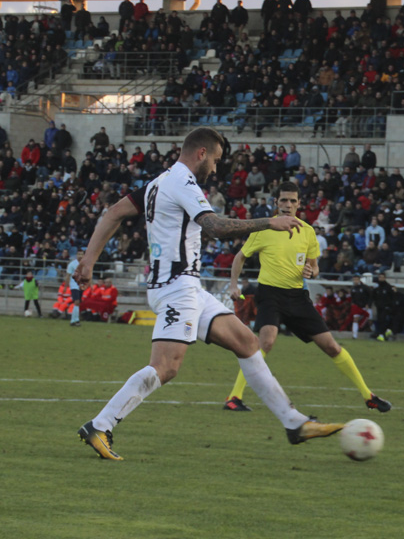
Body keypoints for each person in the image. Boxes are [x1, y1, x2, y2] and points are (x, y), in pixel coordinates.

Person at [72, 128, 342, 460]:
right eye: (215, 160)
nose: (215, 168)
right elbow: (215, 227)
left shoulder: (158, 183)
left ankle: (294, 423)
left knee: (247, 343)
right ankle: (101, 425)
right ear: (201, 153)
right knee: (166, 366)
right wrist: (267, 222)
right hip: (176, 288)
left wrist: (88, 260)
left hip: (187, 287)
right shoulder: (183, 183)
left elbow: (113, 213)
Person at [222, 182, 391, 413]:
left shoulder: (308, 231)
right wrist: (233, 284)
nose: (288, 205)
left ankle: (368, 395)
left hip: (298, 297)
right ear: (276, 203)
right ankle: (234, 397)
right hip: (270, 293)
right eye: (283, 200)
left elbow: (314, 266)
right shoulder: (264, 229)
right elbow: (240, 257)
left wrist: (312, 271)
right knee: (266, 342)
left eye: (292, 201)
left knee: (331, 346)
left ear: (299, 204)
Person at [66, 247, 82, 327]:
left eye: (81, 254)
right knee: (77, 301)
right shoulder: (72, 264)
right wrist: (66, 286)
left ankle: (75, 320)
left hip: (81, 285)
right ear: (76, 255)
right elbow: (68, 275)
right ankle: (74, 320)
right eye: (79, 254)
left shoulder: (85, 264)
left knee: (78, 303)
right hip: (74, 285)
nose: (80, 256)